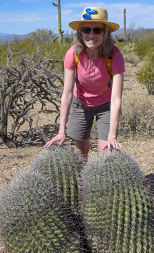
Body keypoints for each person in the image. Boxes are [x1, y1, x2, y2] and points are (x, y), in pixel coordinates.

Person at [44, 7, 125, 159]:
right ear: (80, 32)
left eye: (97, 31)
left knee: (105, 152)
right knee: (81, 152)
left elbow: (116, 99)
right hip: (80, 103)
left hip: (106, 104)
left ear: (105, 33)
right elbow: (67, 94)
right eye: (86, 29)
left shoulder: (114, 55)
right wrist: (61, 131)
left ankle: (101, 182)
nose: (91, 35)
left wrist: (112, 136)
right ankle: (82, 181)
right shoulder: (73, 53)